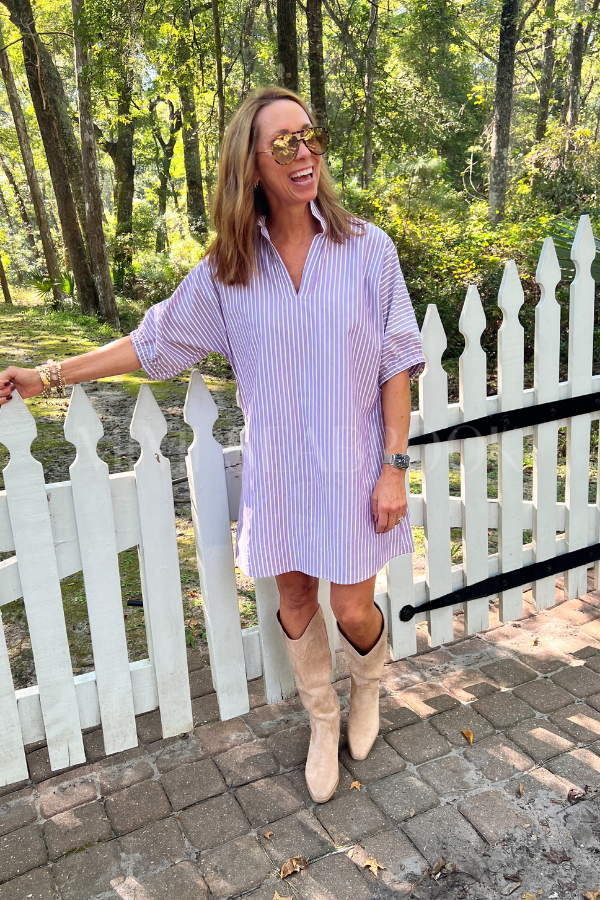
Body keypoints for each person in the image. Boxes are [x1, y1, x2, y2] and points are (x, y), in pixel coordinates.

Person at [0, 86, 424, 804]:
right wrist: (50, 374)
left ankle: (368, 687)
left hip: (357, 469)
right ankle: (322, 720)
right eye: (283, 142)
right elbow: (153, 341)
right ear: (249, 164)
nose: (303, 152)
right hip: (280, 474)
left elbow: (397, 365)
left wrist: (393, 466)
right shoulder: (230, 268)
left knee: (354, 608)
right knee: (296, 596)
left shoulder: (367, 249)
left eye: (309, 135)